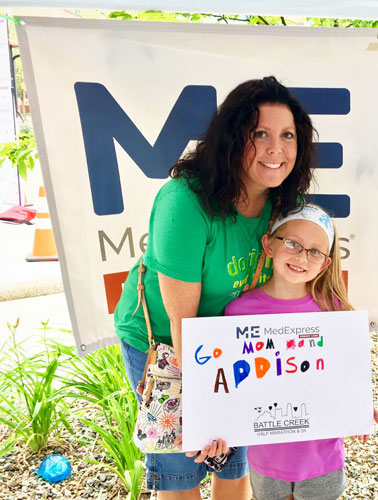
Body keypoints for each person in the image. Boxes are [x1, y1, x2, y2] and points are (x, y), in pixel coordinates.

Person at [113, 76, 318, 499]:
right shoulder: (185, 201)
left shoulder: (282, 207)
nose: (275, 149)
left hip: (234, 343)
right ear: (232, 137)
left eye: (287, 136)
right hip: (168, 344)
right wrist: (210, 411)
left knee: (233, 464)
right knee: (182, 469)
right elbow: (183, 323)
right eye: (259, 133)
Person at [224, 204, 378, 500]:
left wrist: (359, 406)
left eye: (314, 251)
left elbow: (347, 374)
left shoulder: (335, 310)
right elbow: (229, 385)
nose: (301, 257)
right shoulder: (238, 312)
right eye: (292, 243)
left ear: (325, 263)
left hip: (323, 459)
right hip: (265, 460)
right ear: (269, 244)